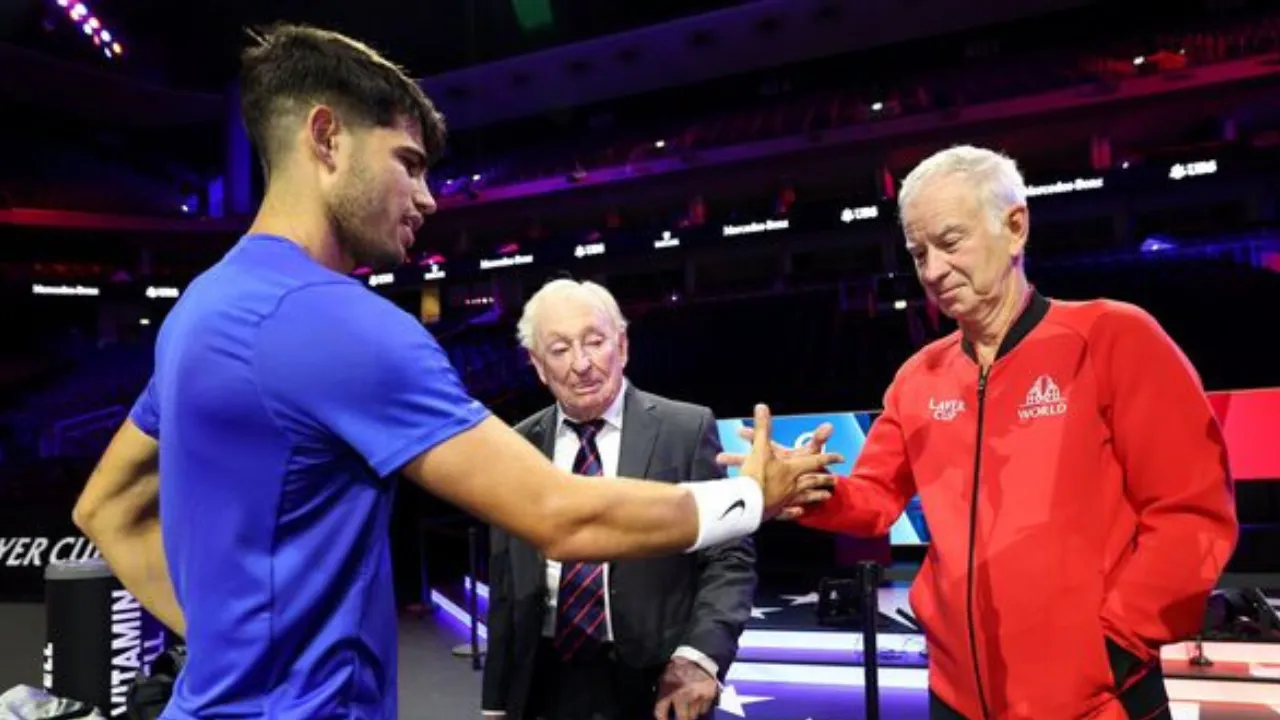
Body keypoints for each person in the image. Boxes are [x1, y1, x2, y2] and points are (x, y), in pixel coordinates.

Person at [69, 24, 840, 720]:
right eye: (408, 165)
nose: (428, 198)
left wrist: (236, 651)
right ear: (326, 138)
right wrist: (752, 495)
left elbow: (105, 510)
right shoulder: (343, 323)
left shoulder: (199, 311)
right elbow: (561, 517)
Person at [723, 145, 1238, 719]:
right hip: (955, 697)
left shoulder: (1115, 338)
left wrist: (1115, 649)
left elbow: (1191, 516)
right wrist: (806, 488)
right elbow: (874, 501)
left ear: (1015, 227)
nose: (932, 271)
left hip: (1098, 698)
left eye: (950, 242)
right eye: (919, 253)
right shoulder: (918, 376)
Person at [482, 279, 758, 720]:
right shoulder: (516, 449)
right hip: (543, 682)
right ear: (537, 365)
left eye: (595, 342)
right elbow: (506, 584)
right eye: (560, 350)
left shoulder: (684, 429)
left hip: (659, 680)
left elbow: (728, 558)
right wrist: (496, 703)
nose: (582, 364)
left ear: (622, 345)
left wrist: (701, 656)